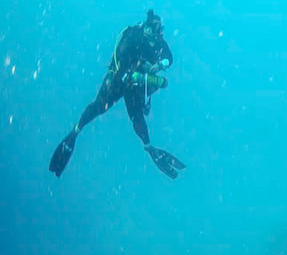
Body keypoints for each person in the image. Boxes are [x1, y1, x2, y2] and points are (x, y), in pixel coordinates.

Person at [49, 9, 185, 179]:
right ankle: (74, 133)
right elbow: (121, 57)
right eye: (151, 30)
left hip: (136, 84)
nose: (153, 36)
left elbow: (169, 57)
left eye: (157, 31)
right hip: (118, 79)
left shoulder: (158, 42)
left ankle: (149, 146)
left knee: (137, 116)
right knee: (99, 106)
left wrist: (161, 64)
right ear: (146, 27)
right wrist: (131, 73)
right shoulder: (134, 36)